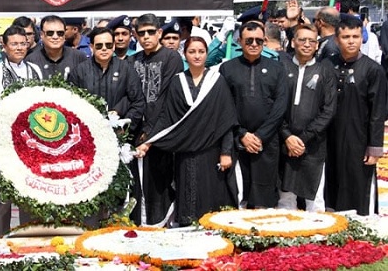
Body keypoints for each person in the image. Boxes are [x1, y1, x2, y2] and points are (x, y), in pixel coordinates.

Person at [136, 36, 238, 226]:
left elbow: (226, 121)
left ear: (207, 54)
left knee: (209, 194)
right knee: (187, 194)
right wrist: (149, 141)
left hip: (211, 151)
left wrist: (226, 152)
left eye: (201, 51)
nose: (197, 56)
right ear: (185, 54)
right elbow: (167, 118)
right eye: (192, 52)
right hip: (184, 152)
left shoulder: (217, 81)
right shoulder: (177, 82)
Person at [219, 21, 288, 208]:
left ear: (264, 41)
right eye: (249, 40)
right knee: (240, 191)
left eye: (259, 40)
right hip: (237, 139)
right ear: (240, 41)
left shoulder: (277, 68)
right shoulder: (227, 69)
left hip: (267, 140)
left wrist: (260, 136)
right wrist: (242, 134)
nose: (254, 44)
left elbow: (280, 106)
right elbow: (225, 106)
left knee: (265, 194)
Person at [325, 17, 387, 215]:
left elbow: (378, 110)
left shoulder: (373, 70)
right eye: (346, 37)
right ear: (336, 39)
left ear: (362, 38)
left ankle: (357, 222)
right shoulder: (326, 65)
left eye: (355, 36)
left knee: (356, 181)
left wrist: (374, 146)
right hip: (329, 136)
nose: (351, 41)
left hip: (358, 138)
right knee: (331, 180)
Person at [0, 25, 43, 236]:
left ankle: (28, 236)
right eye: (14, 44)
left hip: (33, 141)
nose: (19, 48)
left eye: (23, 43)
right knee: (3, 197)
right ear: (5, 45)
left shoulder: (34, 70)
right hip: (5, 141)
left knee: (29, 192)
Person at [128, 13, 183, 225]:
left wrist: (150, 134)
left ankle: (161, 224)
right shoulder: (134, 60)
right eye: (141, 33)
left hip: (162, 132)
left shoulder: (171, 58)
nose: (146, 37)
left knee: (160, 183)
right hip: (138, 133)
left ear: (159, 33)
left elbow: (167, 99)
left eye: (151, 32)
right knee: (141, 183)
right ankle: (142, 224)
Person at [277, 25, 336, 212]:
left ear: (317, 46)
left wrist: (302, 140)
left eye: (312, 41)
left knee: (315, 198)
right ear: (293, 42)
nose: (307, 44)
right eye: (302, 40)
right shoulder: (281, 67)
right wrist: (287, 136)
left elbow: (328, 110)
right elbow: (273, 106)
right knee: (285, 197)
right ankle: (287, 237)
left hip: (313, 143)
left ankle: (317, 239)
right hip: (285, 141)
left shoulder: (325, 71)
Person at [68, 27, 145, 133]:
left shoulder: (126, 69)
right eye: (99, 46)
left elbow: (138, 101)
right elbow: (71, 103)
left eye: (108, 45)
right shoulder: (79, 71)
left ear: (113, 46)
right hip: (89, 133)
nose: (104, 49)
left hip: (120, 132)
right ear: (91, 47)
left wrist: (124, 127)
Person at [206, 6, 280, 67]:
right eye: (251, 27)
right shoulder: (230, 48)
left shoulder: (270, 55)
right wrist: (221, 35)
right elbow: (207, 61)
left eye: (259, 27)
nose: (255, 31)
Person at [26, 15, 87, 80]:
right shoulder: (31, 60)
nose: (55, 37)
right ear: (42, 35)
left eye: (60, 33)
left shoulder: (79, 58)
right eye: (50, 33)